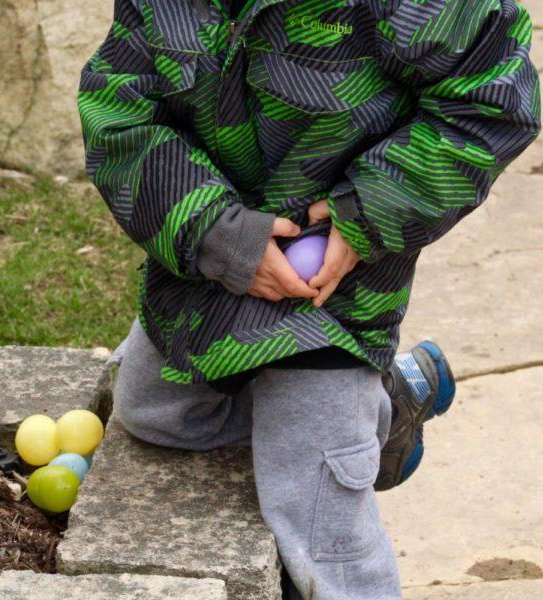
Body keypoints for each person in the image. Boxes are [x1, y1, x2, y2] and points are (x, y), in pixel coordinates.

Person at [77, 1, 541, 598]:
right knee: (153, 415)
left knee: (319, 512)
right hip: (211, 272)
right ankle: (392, 400)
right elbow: (119, 112)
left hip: (338, 291)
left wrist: (367, 213)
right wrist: (218, 231)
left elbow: (492, 104)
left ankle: (345, 422)